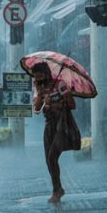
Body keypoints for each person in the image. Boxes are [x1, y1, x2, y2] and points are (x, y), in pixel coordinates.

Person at [32, 62, 80, 203]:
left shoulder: (60, 85)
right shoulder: (39, 87)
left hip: (61, 125)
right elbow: (36, 110)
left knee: (52, 157)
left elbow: (72, 105)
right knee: (49, 160)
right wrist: (41, 98)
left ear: (46, 73)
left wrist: (53, 102)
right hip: (49, 126)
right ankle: (58, 188)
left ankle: (57, 191)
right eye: (36, 76)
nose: (38, 79)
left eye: (40, 75)